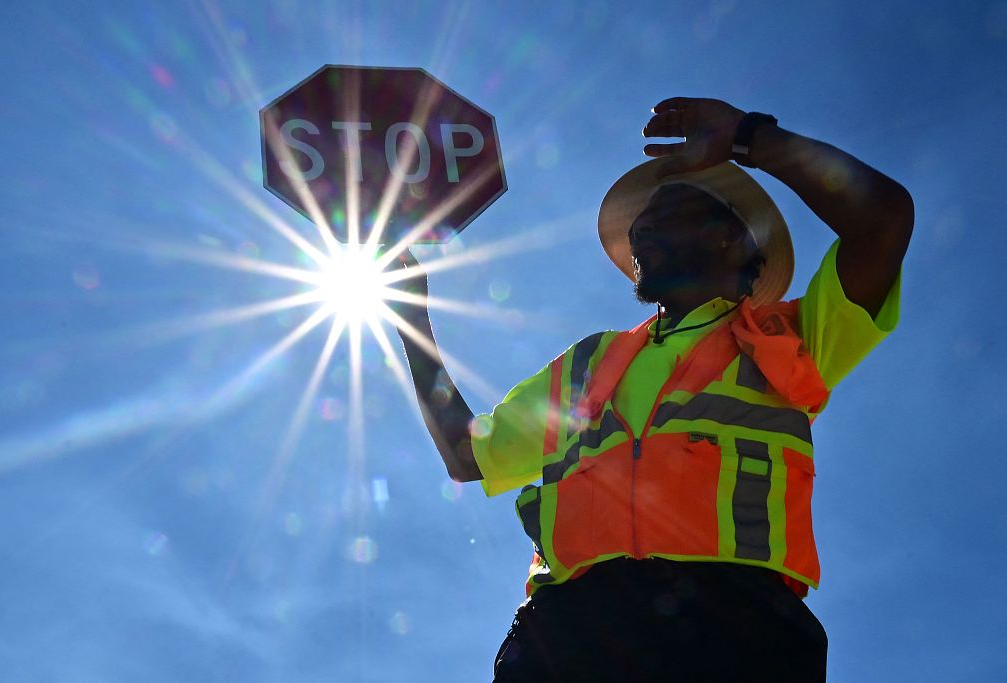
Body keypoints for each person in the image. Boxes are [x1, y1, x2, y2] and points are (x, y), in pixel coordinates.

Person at [390, 97, 913, 682]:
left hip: (736, 633)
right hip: (568, 636)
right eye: (642, 222)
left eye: (667, 212)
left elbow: (883, 219)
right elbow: (470, 456)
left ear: (733, 240)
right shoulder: (587, 362)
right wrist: (413, 322)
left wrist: (748, 137)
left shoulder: (790, 338)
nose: (640, 229)